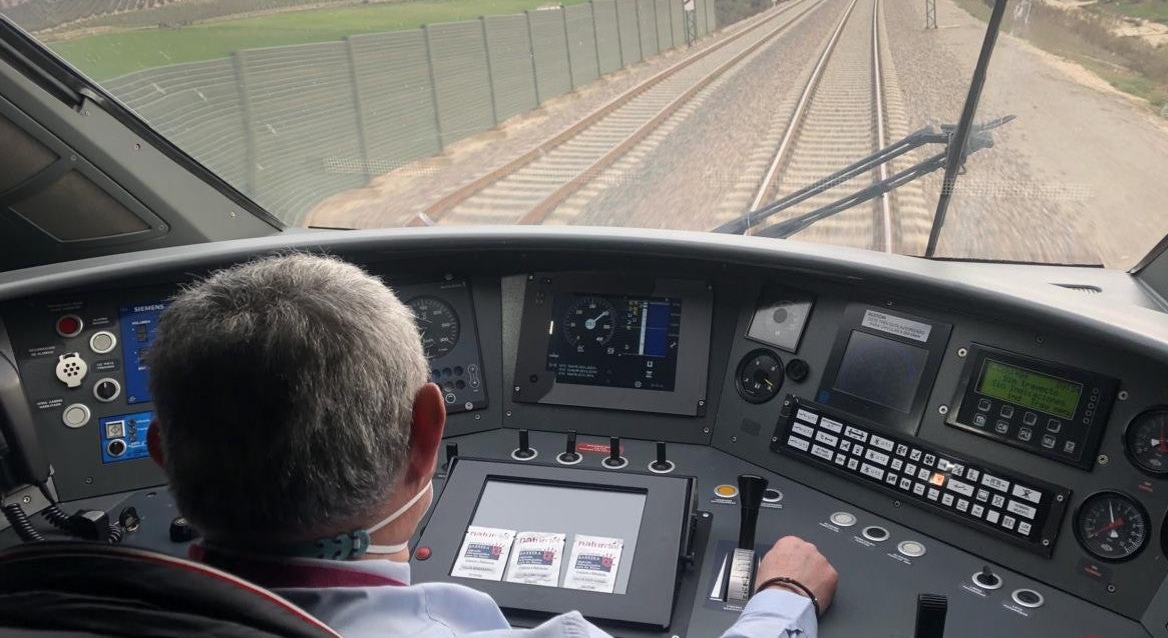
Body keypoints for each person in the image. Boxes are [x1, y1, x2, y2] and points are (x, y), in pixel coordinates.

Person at [144, 254, 838, 637]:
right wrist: (784, 596)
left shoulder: (56, 596)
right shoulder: (448, 624)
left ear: (162, 450)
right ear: (427, 438)